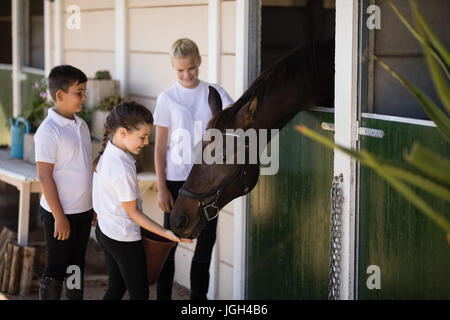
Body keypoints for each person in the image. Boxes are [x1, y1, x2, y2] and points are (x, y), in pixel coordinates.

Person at [154, 38, 234, 300]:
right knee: (170, 243)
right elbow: (159, 146)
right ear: (172, 68)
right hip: (177, 181)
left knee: (205, 244)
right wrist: (163, 187)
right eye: (180, 70)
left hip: (208, 181)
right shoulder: (167, 98)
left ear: (199, 62)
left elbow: (235, 120)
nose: (186, 74)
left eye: (191, 68)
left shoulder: (215, 93)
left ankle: (198, 302)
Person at [93, 101, 191, 300]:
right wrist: (166, 233)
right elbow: (133, 213)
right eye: (143, 137)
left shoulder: (110, 154)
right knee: (139, 292)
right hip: (123, 238)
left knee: (117, 286)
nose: (146, 142)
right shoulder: (120, 166)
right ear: (123, 133)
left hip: (105, 231)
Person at [35, 65, 93, 300]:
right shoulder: (48, 131)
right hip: (59, 214)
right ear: (60, 95)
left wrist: (93, 205)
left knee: (76, 266)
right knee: (57, 268)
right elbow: (44, 176)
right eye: (79, 92)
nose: (84, 97)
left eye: (84, 92)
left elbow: (85, 168)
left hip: (83, 210)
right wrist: (59, 217)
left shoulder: (82, 125)